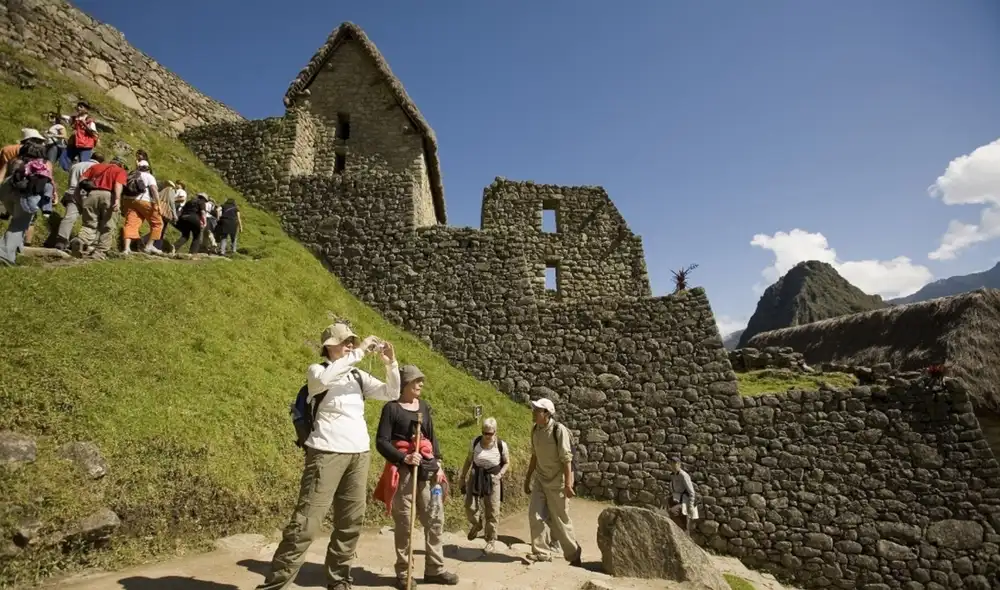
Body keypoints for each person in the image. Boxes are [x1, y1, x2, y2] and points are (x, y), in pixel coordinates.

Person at [255, 323, 399, 590]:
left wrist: (391, 364)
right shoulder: (318, 371)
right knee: (306, 523)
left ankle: (339, 579)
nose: (351, 346)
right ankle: (276, 585)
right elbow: (323, 381)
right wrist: (358, 352)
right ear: (329, 346)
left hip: (359, 454)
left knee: (351, 522)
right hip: (326, 452)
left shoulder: (357, 377)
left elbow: (392, 393)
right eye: (345, 342)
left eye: (352, 342)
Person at [374, 365, 459, 589]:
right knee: (405, 524)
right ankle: (404, 573)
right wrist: (403, 459)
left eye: (420, 380)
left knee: (434, 520)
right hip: (403, 474)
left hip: (427, 471)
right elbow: (381, 442)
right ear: (404, 385)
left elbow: (432, 435)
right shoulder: (391, 409)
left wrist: (438, 463)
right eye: (416, 381)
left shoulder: (424, 407)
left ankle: (435, 569)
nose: (420, 384)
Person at [524, 398, 582, 565]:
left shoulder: (559, 430)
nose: (534, 413)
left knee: (560, 520)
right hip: (541, 479)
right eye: (534, 409)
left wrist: (569, 485)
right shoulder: (535, 430)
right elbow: (534, 456)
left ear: (547, 413)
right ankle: (541, 552)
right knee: (534, 515)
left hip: (558, 481)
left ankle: (574, 554)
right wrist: (528, 478)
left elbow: (566, 459)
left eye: (537, 410)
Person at [458, 417, 509, 553]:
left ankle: (491, 540)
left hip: (493, 479)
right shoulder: (475, 442)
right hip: (476, 476)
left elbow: (506, 463)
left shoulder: (501, 445)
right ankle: (477, 524)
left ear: (495, 432)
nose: (486, 436)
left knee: (492, 510)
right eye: (484, 433)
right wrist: (462, 477)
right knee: (469, 506)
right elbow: (468, 460)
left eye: (490, 433)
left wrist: (498, 476)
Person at [0, 140, 54, 266]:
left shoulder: (13, 161)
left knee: (17, 221)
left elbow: (1, 177)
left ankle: (15, 249)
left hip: (7, 191)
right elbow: (49, 181)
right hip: (27, 194)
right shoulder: (45, 163)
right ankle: (5, 256)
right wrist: (51, 197)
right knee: (19, 224)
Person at [72, 155, 127, 260]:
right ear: (122, 165)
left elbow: (82, 180)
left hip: (91, 194)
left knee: (89, 222)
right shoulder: (120, 171)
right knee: (108, 225)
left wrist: (79, 195)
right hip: (108, 196)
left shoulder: (96, 167)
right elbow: (118, 184)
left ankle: (81, 240)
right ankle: (100, 252)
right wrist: (117, 200)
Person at [53, 153, 103, 251]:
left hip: (72, 192)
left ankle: (61, 240)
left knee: (69, 217)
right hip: (87, 195)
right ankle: (84, 242)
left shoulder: (76, 165)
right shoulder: (97, 167)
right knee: (90, 220)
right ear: (101, 161)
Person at [120, 159, 163, 255]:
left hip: (129, 201)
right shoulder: (149, 176)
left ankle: (127, 249)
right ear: (148, 168)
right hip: (144, 201)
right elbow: (154, 190)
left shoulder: (131, 175)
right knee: (157, 223)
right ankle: (149, 246)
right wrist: (158, 204)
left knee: (131, 223)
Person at [60, 101, 98, 171]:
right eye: (78, 106)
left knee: (83, 163)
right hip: (74, 142)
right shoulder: (75, 118)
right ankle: (67, 171)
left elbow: (94, 133)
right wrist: (59, 114)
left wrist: (85, 124)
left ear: (86, 109)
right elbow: (67, 118)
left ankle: (81, 175)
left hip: (85, 145)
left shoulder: (89, 120)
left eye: (81, 107)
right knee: (64, 157)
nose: (78, 108)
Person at [668, 456, 698, 533]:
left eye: (675, 463)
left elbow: (691, 492)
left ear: (679, 464)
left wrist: (690, 506)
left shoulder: (683, 475)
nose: (673, 465)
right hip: (676, 500)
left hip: (685, 501)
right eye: (671, 463)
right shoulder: (672, 475)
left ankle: (682, 532)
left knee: (673, 512)